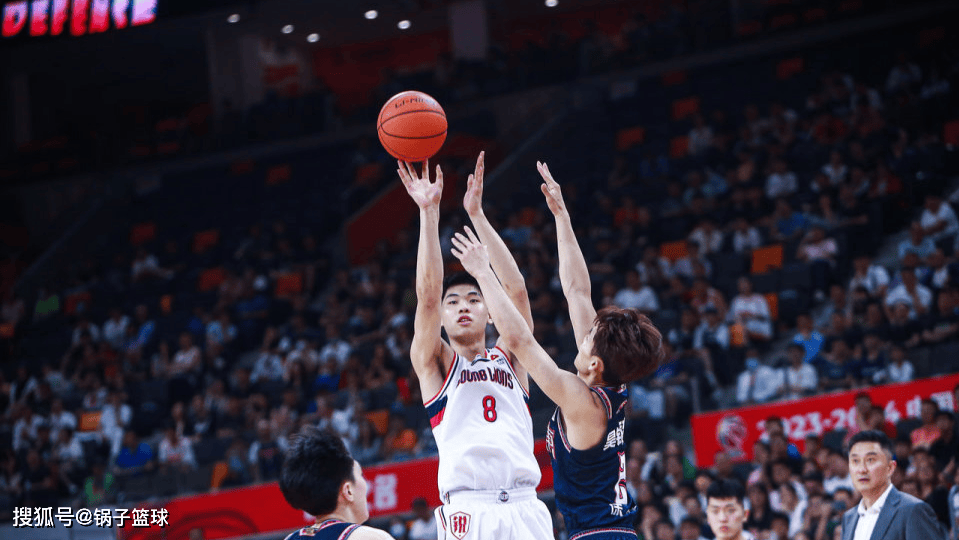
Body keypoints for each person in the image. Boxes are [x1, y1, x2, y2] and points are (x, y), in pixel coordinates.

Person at [448, 161, 664, 540]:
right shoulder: (609, 380)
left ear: (594, 362)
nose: (582, 334)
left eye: (587, 337)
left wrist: (482, 273)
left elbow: (520, 340)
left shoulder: (583, 401)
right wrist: (561, 216)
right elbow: (578, 291)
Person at [397, 154, 553, 539]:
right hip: (469, 510)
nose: (463, 305)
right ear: (444, 319)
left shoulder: (512, 354)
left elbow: (516, 291)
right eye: (455, 303)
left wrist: (478, 217)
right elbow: (428, 296)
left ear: (489, 313)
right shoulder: (434, 363)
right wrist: (429, 212)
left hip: (525, 505)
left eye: (473, 299)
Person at [278, 427, 391, 540]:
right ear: (348, 490)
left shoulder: (290, 538)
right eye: (360, 475)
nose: (366, 485)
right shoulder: (371, 537)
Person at [840, 430, 944, 540]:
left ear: (890, 468)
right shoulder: (849, 518)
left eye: (870, 460)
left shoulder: (913, 510)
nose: (862, 469)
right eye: (855, 461)